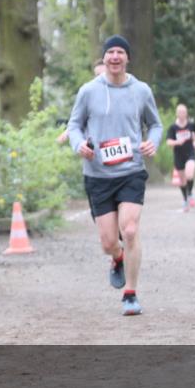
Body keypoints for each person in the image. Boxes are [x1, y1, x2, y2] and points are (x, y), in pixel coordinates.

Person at [67, 35, 163, 316]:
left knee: (130, 230)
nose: (115, 57)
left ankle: (130, 294)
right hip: (97, 175)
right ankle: (117, 258)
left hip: (131, 170)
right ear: (105, 58)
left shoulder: (141, 90)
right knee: (109, 242)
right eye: (110, 52)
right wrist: (79, 144)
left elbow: (155, 124)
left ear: (128, 58)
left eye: (121, 51)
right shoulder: (88, 91)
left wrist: (152, 142)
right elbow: (74, 125)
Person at [56, 60, 107, 145]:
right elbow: (78, 120)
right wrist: (67, 133)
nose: (101, 78)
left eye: (103, 74)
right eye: (97, 75)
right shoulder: (89, 95)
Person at [165, 103, 195, 212]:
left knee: (189, 174)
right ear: (176, 113)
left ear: (186, 113)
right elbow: (168, 142)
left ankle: (190, 194)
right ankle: (185, 200)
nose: (182, 114)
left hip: (190, 152)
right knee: (182, 180)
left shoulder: (191, 125)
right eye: (180, 112)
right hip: (178, 155)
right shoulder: (173, 127)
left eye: (184, 112)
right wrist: (177, 142)